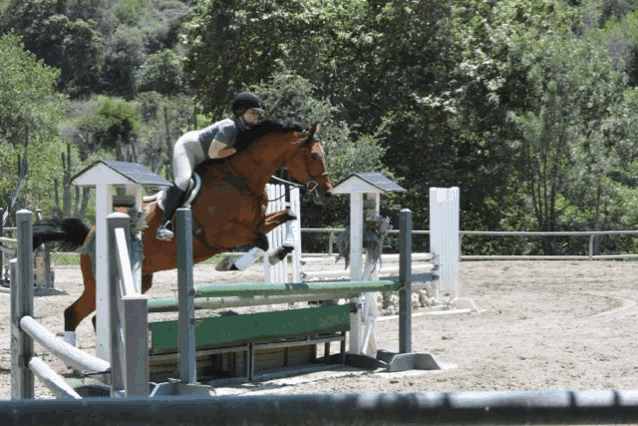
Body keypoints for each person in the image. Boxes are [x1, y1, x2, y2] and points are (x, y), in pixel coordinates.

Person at [156, 92, 265, 241]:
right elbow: (214, 153)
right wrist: (236, 149)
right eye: (254, 112)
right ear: (241, 111)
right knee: (184, 181)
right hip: (189, 149)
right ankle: (164, 224)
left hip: (206, 155)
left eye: (258, 113)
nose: (257, 116)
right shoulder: (229, 127)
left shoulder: (245, 129)